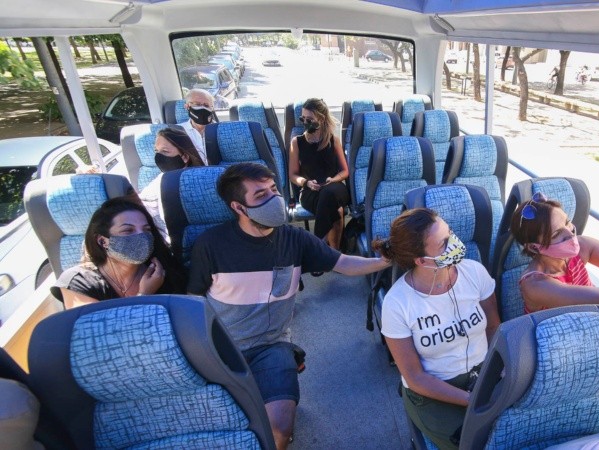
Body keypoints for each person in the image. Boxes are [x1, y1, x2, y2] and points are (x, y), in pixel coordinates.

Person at [186, 162, 390, 450]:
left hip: (271, 344)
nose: (273, 200)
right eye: (260, 196)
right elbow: (193, 303)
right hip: (220, 347)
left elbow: (342, 263)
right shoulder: (211, 245)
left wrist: (384, 261)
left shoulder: (294, 239)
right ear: (239, 207)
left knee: (279, 430)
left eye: (273, 190)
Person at [373, 208, 500, 450]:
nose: (454, 242)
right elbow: (415, 377)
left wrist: (499, 373)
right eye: (444, 243)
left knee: (515, 433)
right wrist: (470, 400)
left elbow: (494, 327)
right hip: (432, 394)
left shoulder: (474, 272)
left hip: (484, 375)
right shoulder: (397, 303)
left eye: (450, 232)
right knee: (477, 444)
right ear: (421, 261)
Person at [52, 197, 187, 309]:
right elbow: (100, 336)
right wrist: (144, 295)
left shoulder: (162, 274)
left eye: (146, 230)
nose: (142, 237)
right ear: (102, 241)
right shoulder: (79, 282)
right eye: (128, 231)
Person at [288, 98, 350, 250]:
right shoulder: (297, 142)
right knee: (337, 210)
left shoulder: (333, 141)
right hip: (310, 190)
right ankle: (333, 253)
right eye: (303, 118)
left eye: (310, 119)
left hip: (334, 186)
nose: (305, 122)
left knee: (329, 193)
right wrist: (306, 183)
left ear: (321, 119)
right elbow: (293, 175)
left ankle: (318, 248)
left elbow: (345, 171)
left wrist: (333, 179)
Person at [139, 127, 205, 241]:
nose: (159, 157)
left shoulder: (204, 179)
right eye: (156, 151)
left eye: (165, 151)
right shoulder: (160, 180)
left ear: (184, 157)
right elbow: (141, 205)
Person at [178, 88, 216, 164]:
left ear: (212, 109)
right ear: (187, 106)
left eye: (206, 105)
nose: (202, 108)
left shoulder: (221, 131)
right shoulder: (176, 131)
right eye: (197, 104)